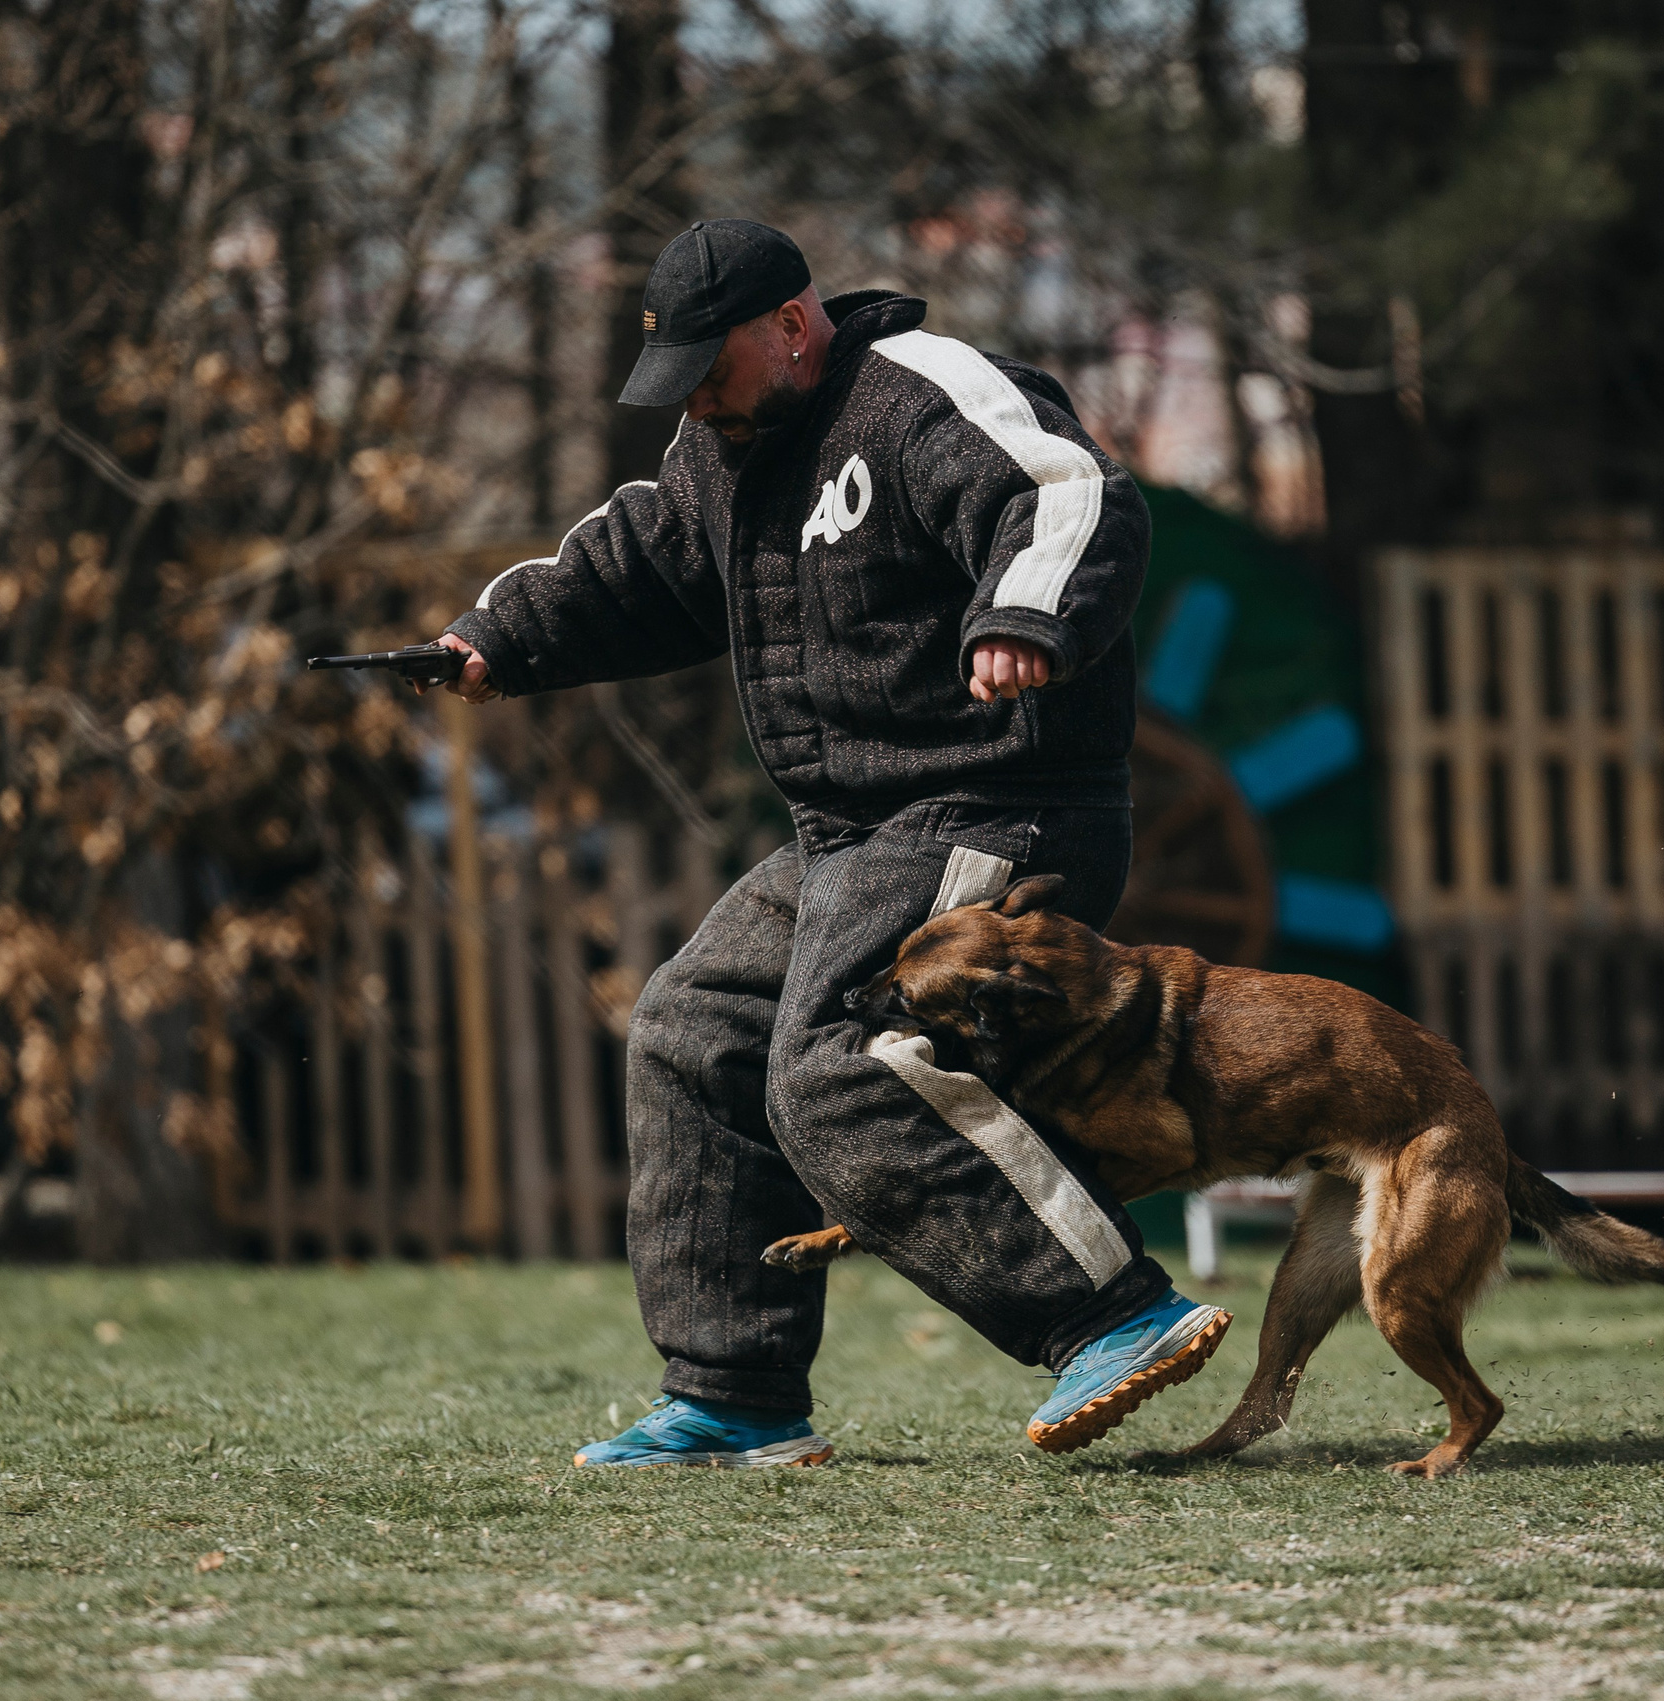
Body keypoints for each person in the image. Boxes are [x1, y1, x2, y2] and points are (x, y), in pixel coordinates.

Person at [432, 219, 1227, 1468]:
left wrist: (1021, 611)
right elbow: (640, 561)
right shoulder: (721, 452)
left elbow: (1067, 491)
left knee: (830, 1058)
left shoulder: (922, 395)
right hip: (845, 833)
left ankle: (1110, 1311)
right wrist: (500, 637)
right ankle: (734, 1393)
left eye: (714, 365)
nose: (696, 397)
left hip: (996, 801)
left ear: (792, 325)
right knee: (691, 1029)